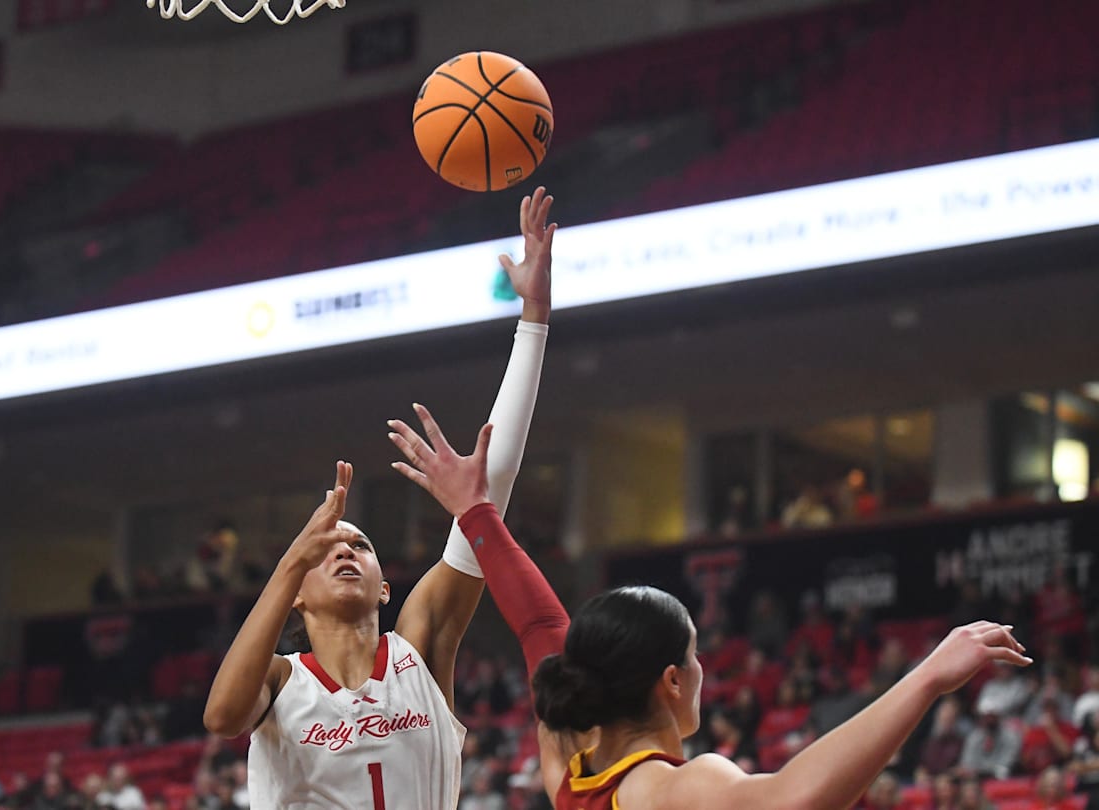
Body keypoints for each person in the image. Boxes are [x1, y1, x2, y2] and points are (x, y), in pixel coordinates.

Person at [387, 403, 1032, 809]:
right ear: (671, 680)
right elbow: (792, 800)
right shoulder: (674, 787)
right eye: (694, 656)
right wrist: (927, 679)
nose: (702, 671)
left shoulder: (570, 769)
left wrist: (476, 513)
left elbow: (539, 626)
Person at [203, 188, 558, 809]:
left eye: (360, 545)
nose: (344, 554)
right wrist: (290, 560)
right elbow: (223, 717)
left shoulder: (417, 649)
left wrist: (534, 318)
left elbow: (486, 497)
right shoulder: (283, 679)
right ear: (296, 595)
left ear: (385, 585)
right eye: (323, 552)